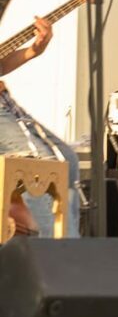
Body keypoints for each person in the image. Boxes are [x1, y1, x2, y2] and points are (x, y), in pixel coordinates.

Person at [0, 16, 81, 238]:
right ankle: (59, 257)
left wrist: (33, 50)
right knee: (42, 167)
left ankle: (70, 244)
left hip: (7, 105)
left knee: (68, 162)